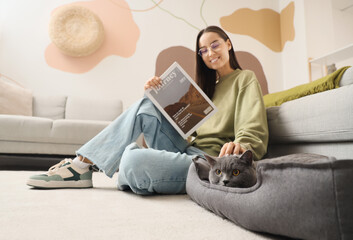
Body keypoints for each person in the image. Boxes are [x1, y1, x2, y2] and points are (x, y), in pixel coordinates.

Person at [27, 26, 268, 194]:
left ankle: (121, 166)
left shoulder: (244, 78)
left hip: (211, 162)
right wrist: (155, 95)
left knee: (132, 157)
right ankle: (81, 166)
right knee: (145, 106)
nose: (209, 53)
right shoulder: (207, 90)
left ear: (228, 44)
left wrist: (242, 144)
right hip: (187, 147)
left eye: (214, 45)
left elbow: (252, 126)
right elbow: (183, 130)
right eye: (203, 50)